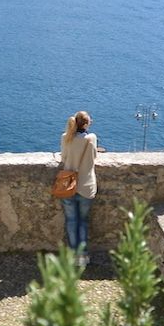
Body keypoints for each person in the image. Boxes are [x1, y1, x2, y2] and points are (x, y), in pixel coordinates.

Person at [60, 110, 98, 267]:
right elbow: (94, 157)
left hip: (68, 185)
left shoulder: (65, 137)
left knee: (71, 221)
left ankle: (72, 256)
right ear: (87, 123)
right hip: (86, 186)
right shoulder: (91, 138)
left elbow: (63, 158)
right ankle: (81, 258)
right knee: (82, 222)